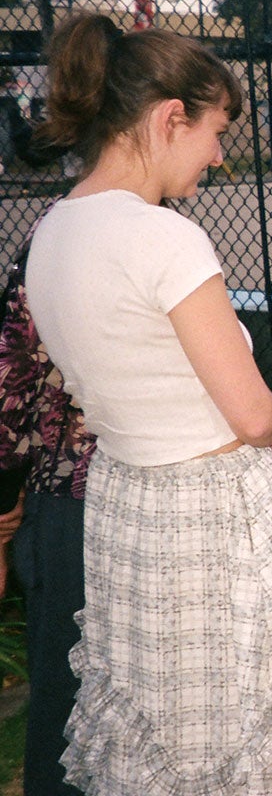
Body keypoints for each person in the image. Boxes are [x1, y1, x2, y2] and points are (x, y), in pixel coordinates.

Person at [24, 14, 272, 794]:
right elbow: (252, 415)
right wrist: (269, 450)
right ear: (166, 118)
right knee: (250, 730)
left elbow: (140, 394)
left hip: (125, 501)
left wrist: (269, 463)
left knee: (157, 732)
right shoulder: (164, 238)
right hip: (209, 515)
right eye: (215, 130)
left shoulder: (53, 231)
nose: (220, 154)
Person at [0, 234, 96, 796]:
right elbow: (11, 383)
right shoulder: (58, 243)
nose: (215, 159)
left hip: (136, 498)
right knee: (66, 688)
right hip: (69, 502)